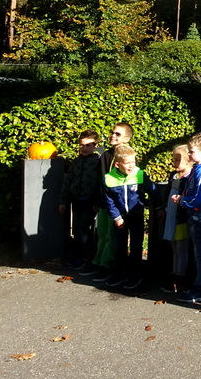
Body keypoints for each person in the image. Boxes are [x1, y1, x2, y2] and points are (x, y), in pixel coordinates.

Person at [85, 122, 134, 283]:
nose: (113, 135)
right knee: (102, 233)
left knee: (113, 236)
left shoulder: (129, 157)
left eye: (118, 134)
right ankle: (98, 261)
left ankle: (108, 265)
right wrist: (96, 200)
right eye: (112, 132)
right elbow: (99, 180)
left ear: (126, 139)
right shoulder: (105, 156)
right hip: (104, 203)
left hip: (117, 206)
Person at [173, 132, 201, 303]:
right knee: (197, 252)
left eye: (191, 151)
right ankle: (197, 284)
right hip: (194, 215)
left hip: (199, 216)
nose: (189, 155)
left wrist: (183, 201)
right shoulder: (197, 169)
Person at [103, 145, 153, 290]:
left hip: (136, 215)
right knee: (119, 245)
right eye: (127, 163)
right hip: (120, 217)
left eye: (133, 162)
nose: (131, 165)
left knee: (136, 245)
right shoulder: (109, 178)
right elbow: (109, 200)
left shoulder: (139, 174)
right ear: (118, 164)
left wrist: (158, 207)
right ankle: (119, 272)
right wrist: (117, 217)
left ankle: (135, 274)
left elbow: (152, 190)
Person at [58, 130, 102, 270]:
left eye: (88, 145)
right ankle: (81, 255)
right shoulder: (76, 162)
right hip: (76, 199)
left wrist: (97, 200)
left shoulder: (98, 162)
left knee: (85, 229)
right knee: (79, 228)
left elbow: (100, 183)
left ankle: (83, 257)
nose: (84, 148)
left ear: (96, 145)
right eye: (82, 145)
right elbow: (68, 181)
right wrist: (63, 200)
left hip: (90, 200)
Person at [156, 144, 192, 295]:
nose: (174, 163)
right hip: (171, 217)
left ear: (189, 160)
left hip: (181, 220)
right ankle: (175, 273)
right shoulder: (174, 176)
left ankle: (180, 277)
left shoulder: (190, 178)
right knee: (175, 247)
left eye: (178, 160)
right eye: (174, 159)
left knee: (181, 248)